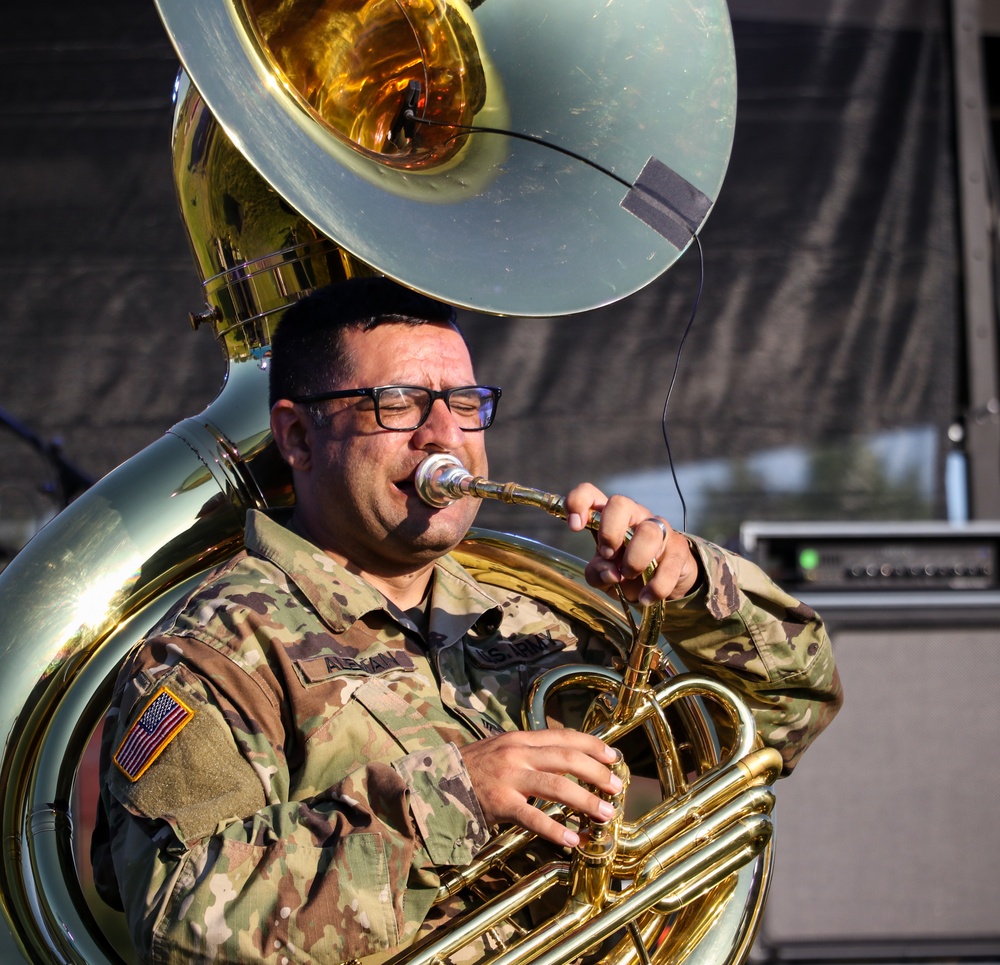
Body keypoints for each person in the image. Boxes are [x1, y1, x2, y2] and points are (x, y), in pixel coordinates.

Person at [94, 276, 842, 965]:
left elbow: (778, 722)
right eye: (399, 403)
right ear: (297, 438)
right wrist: (447, 802)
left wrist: (692, 590)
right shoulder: (207, 653)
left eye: (463, 403)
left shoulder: (537, 617)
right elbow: (182, 920)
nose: (444, 435)